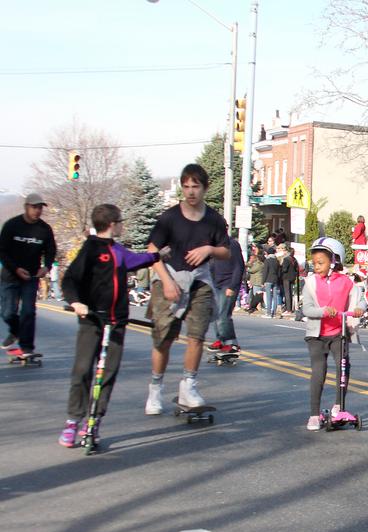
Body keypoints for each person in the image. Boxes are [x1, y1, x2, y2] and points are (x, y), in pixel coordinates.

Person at [59, 204, 162, 449]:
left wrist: (159, 255)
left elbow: (138, 259)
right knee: (83, 369)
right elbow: (70, 279)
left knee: (108, 372)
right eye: (121, 221)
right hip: (92, 320)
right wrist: (76, 302)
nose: (123, 225)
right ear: (112, 224)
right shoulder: (91, 249)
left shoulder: (118, 251)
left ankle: (94, 421)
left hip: (117, 322)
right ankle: (74, 420)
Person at [144, 163, 231, 413]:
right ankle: (155, 390)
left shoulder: (214, 219)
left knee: (197, 334)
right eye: (186, 186)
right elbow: (152, 251)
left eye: (196, 186)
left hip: (199, 280)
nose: (191, 192)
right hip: (168, 276)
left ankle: (188, 385)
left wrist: (209, 249)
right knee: (164, 336)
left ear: (205, 188)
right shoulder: (169, 218)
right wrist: (167, 282)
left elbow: (225, 251)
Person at [301, 237, 363, 431]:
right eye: (314, 263)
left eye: (321, 262)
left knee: (343, 367)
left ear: (334, 261)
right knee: (319, 372)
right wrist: (323, 311)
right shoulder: (310, 283)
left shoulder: (346, 282)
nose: (316, 266)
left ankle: (339, 406)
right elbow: (307, 309)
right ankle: (313, 414)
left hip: (339, 333)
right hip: (317, 335)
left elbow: (360, 300)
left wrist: (360, 308)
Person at [0, 193, 57, 355]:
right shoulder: (12, 225)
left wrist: (46, 267)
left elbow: (51, 250)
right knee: (7, 312)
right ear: (26, 207)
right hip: (10, 276)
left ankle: (27, 347)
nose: (38, 211)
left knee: (28, 312)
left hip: (31, 277)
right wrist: (16, 268)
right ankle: (15, 330)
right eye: (34, 207)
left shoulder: (44, 229)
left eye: (40, 208)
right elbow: (2, 251)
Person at [209, 236, 246, 352]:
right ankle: (221, 339)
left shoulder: (232, 244)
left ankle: (231, 343)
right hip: (215, 283)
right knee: (216, 314)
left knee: (223, 315)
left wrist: (232, 286)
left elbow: (239, 266)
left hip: (228, 284)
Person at [262, 246, 281, 318]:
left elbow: (265, 271)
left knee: (268, 296)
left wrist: (263, 281)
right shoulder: (277, 261)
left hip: (268, 280)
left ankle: (268, 313)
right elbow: (279, 272)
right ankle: (274, 313)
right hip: (275, 279)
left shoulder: (267, 260)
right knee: (275, 296)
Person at [245, 245, 265, 313]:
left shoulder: (259, 264)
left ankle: (258, 307)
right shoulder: (257, 263)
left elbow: (252, 270)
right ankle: (254, 307)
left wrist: (248, 268)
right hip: (254, 281)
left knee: (257, 295)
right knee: (254, 294)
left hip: (257, 281)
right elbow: (251, 265)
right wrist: (247, 264)